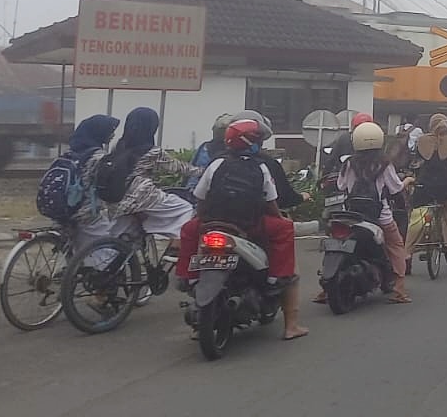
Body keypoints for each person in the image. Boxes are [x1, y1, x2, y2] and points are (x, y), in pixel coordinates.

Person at [177, 118, 308, 340]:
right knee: (285, 229)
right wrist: (280, 218)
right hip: (249, 226)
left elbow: (200, 197)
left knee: (188, 230)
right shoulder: (261, 166)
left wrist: (202, 219)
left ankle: (187, 276)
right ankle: (278, 280)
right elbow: (271, 203)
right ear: (253, 141)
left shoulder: (216, 163)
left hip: (213, 223)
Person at [89, 107, 198, 247]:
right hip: (141, 197)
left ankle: (109, 266)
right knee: (184, 208)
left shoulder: (120, 145)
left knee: (119, 242)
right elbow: (179, 168)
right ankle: (177, 243)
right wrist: (203, 171)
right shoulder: (152, 151)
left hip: (115, 200)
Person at [339, 122, 413, 303]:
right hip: (380, 217)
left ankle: (325, 291)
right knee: (396, 247)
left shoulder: (349, 163)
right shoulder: (384, 164)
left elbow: (341, 186)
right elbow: (395, 188)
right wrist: (408, 180)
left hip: (351, 216)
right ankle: (400, 290)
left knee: (340, 244)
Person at [404, 113, 447, 268]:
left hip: (425, 187)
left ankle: (408, 255)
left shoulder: (421, 141)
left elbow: (415, 164)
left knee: (417, 218)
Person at [57, 115, 122, 250]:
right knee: (112, 244)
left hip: (63, 209)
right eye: (110, 130)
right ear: (99, 132)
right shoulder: (98, 157)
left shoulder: (69, 153)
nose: (113, 134)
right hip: (85, 213)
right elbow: (108, 186)